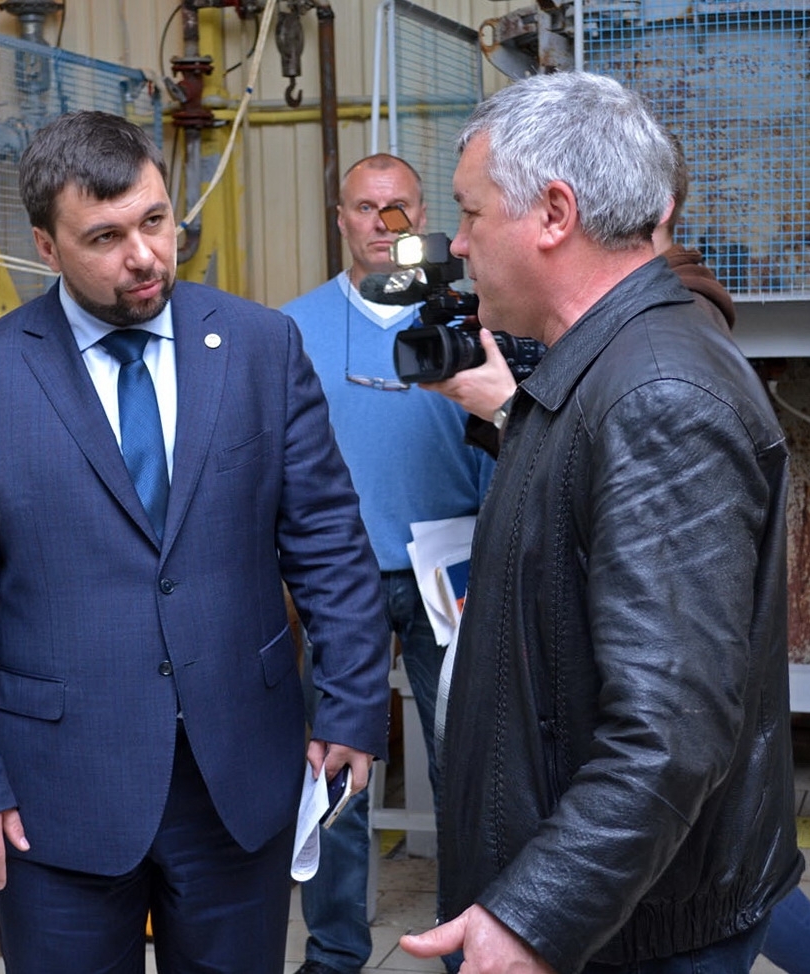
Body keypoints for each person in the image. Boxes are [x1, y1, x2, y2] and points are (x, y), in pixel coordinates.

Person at [0, 110, 392, 974]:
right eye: (105, 237)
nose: (145, 256)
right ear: (47, 247)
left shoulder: (259, 347)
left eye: (156, 222)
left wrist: (353, 706)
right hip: (56, 797)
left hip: (237, 777)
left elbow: (327, 542)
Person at [424, 120, 810, 974]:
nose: (457, 242)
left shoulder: (656, 393)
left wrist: (535, 918)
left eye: (471, 212)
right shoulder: (597, 362)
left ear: (554, 213)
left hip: (631, 932)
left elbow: (669, 729)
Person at [281, 154, 493, 974]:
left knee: (465, 769)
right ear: (340, 218)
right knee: (337, 771)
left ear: (422, 215)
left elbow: (501, 440)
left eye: (397, 206)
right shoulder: (292, 329)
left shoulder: (461, 317)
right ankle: (335, 952)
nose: (381, 222)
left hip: (450, 572)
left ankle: (470, 946)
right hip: (341, 582)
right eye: (365, 208)